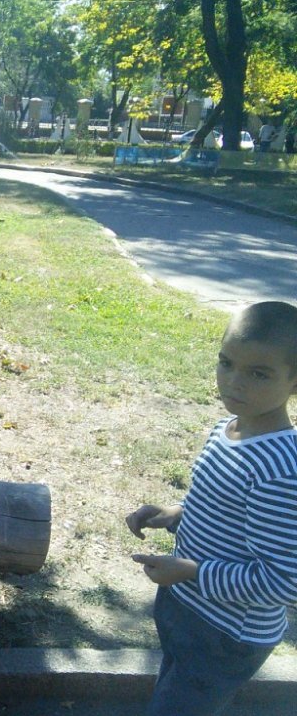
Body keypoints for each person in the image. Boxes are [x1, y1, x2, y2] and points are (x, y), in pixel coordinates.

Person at [126, 301, 297, 716]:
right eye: (226, 363)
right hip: (189, 608)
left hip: (226, 635)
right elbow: (227, 509)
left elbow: (284, 582)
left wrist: (192, 571)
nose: (234, 382)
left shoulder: (280, 469)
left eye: (259, 373)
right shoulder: (228, 428)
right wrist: (175, 513)